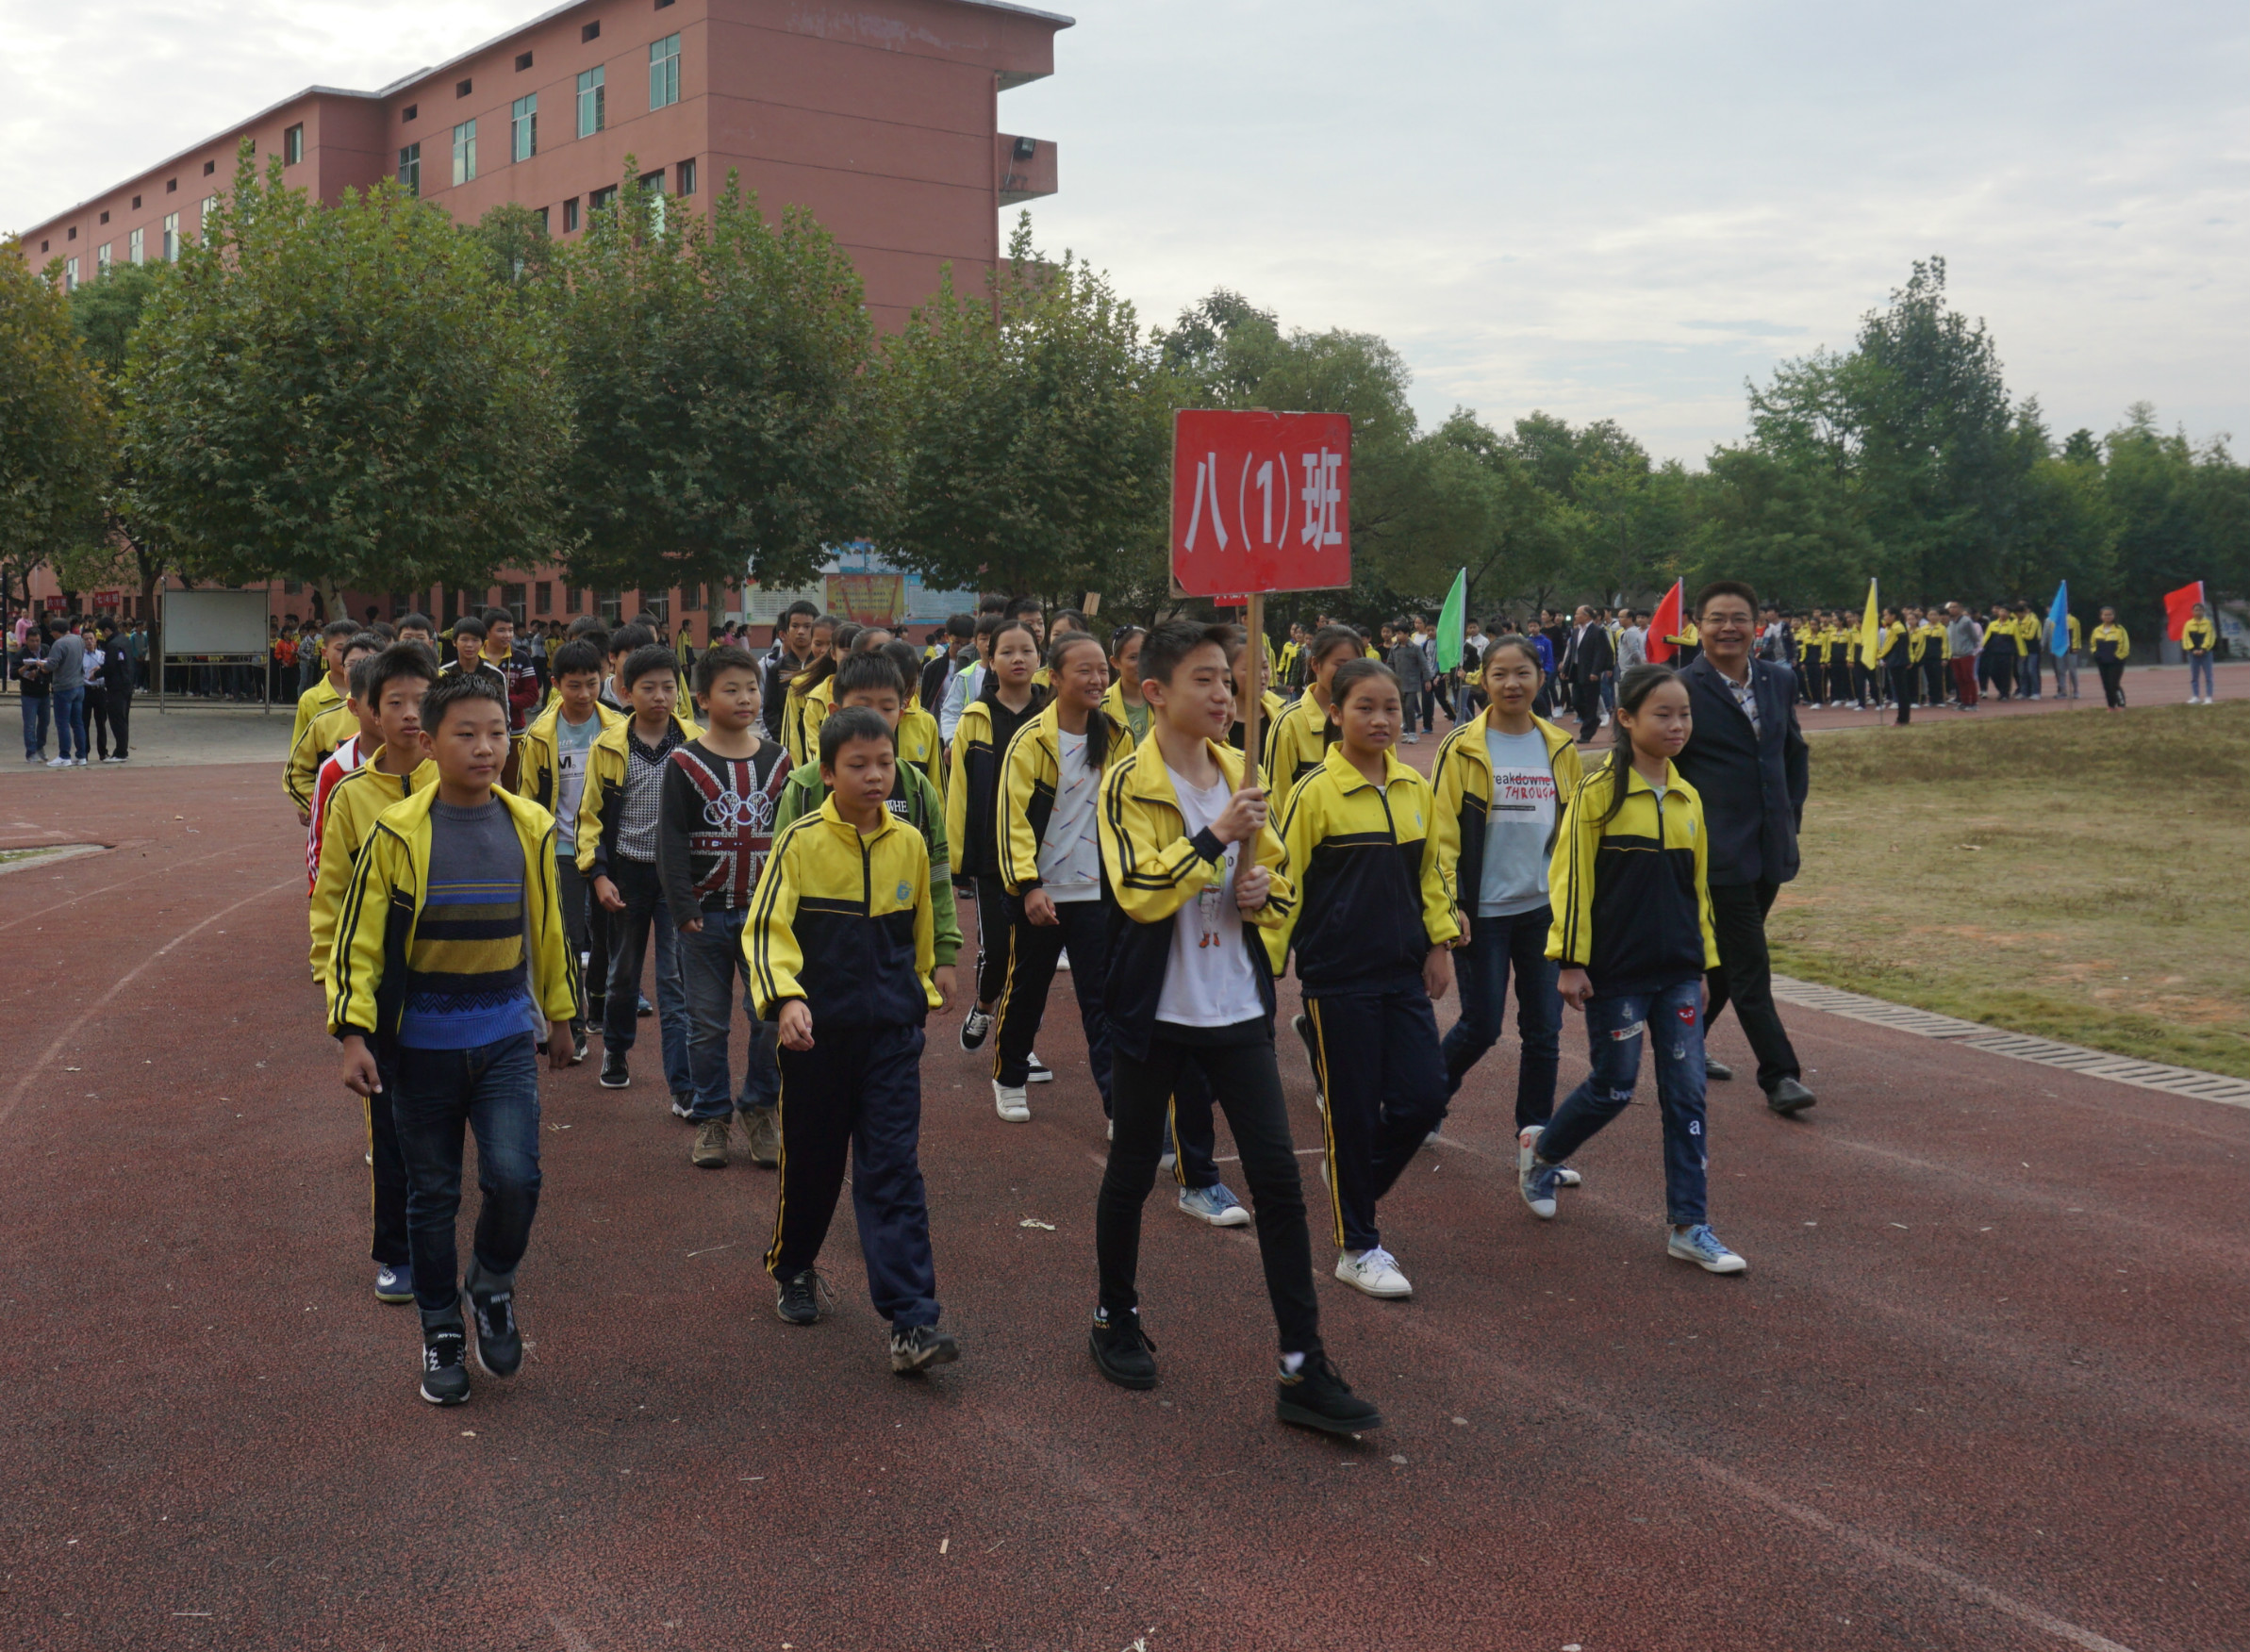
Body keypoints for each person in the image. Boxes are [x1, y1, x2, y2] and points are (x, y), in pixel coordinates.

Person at [1087, 620, 1381, 1436]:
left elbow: (1282, 883)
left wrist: (1263, 896)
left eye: (1231, 679)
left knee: (1280, 1186)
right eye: (1207, 680)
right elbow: (1140, 889)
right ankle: (1114, 1315)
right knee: (1133, 1168)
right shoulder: (1129, 784)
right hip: (1157, 1011)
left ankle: (1301, 1365)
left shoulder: (1239, 776)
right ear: (1155, 694)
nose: (1226, 695)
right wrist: (1214, 837)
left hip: (1237, 1009)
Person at [329, 670, 577, 1405]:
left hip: (504, 1034)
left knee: (515, 1177)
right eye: (465, 734)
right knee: (431, 1195)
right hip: (421, 1046)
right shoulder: (397, 832)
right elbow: (360, 940)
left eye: (497, 732)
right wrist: (352, 1034)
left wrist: (561, 1015)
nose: (485, 747)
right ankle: (441, 1330)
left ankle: (491, 1285)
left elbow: (549, 929)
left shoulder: (527, 825)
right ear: (429, 742)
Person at [745, 704, 960, 1375]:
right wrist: (786, 1001)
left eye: (885, 763)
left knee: (892, 1167)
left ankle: (912, 1319)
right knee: (813, 1164)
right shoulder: (800, 842)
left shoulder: (911, 844)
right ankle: (794, 1265)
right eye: (857, 765)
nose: (874, 776)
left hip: (892, 1036)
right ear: (828, 771)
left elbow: (920, 929)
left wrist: (923, 987)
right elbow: (764, 932)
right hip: (816, 1040)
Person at [1524, 663, 1743, 1275]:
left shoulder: (1688, 797)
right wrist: (1570, 960)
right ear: (1625, 719)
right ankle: (1543, 1155)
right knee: (1615, 1084)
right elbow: (1570, 880)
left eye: (1685, 715)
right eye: (1662, 715)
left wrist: (1703, 965)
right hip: (1615, 974)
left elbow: (1697, 892)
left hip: (1676, 972)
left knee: (1687, 1094)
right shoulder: (1597, 795)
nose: (1677, 726)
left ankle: (1689, 1224)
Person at [1271, 658, 1456, 1300]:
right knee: (1350, 1112)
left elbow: (1430, 875)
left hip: (1403, 972)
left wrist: (1440, 942)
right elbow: (1282, 883)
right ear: (1334, 713)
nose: (1380, 720)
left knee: (1425, 1097)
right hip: (1337, 975)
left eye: (1392, 708)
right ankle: (1359, 1246)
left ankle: (1353, 1179)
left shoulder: (1415, 788)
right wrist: (1266, 966)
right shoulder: (1314, 794)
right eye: (1365, 708)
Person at [308, 644, 438, 1306]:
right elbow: (330, 897)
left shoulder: (469, 783)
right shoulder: (352, 795)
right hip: (385, 987)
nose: (413, 715)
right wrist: (340, 998)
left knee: (466, 1133)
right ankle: (398, 1250)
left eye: (423, 701)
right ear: (371, 713)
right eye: (397, 704)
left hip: (461, 980)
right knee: (389, 1127)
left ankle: (447, 1240)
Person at [1429, 636, 1582, 1154]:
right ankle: (1424, 1102)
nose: (1512, 684)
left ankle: (1535, 1136)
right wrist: (1451, 906)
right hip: (1484, 913)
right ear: (1483, 680)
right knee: (1480, 1026)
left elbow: (1571, 835)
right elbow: (1442, 833)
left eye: (1523, 673)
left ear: (1541, 678)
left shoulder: (1560, 747)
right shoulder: (1462, 747)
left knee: (1544, 1030)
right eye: (1499, 674)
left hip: (1542, 910)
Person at [1672, 583, 1815, 1114]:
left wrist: (1790, 816)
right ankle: (1780, 1075)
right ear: (1697, 626)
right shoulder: (1680, 688)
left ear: (1757, 624)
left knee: (1726, 964)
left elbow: (1792, 754)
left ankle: (1682, 1043)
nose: (1727, 627)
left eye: (1739, 618)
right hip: (1715, 850)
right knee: (1749, 962)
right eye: (1716, 619)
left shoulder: (1779, 680)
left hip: (1771, 846)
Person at [655, 643, 792, 1170]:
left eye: (752, 688)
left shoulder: (779, 762)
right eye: (730, 689)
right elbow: (670, 839)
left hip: (765, 918)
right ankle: (712, 1116)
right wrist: (682, 904)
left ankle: (759, 1108)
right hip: (704, 915)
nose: (745, 698)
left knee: (768, 1020)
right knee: (706, 1023)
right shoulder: (685, 762)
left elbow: (791, 837)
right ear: (703, 698)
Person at [985, 630, 1126, 1125]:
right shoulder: (1031, 740)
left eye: (1102, 671)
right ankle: (1009, 1077)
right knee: (1027, 990)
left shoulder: (1114, 736)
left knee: (1104, 1002)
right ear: (1055, 677)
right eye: (1084, 670)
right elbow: (1011, 819)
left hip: (1097, 893)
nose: (1097, 679)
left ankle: (1118, 1108)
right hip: (1041, 895)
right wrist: (1028, 886)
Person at [579, 643, 701, 1106]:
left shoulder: (694, 743)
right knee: (623, 972)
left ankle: (682, 1084)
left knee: (673, 978)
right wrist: (598, 875)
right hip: (626, 874)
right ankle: (616, 1049)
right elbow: (590, 818)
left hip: (677, 878)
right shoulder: (609, 746)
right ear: (626, 692)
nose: (660, 696)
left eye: (668, 686)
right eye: (648, 687)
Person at [943, 619, 1046, 1057]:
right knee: (999, 950)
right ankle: (986, 1003)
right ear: (990, 660)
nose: (1018, 658)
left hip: (1045, 855)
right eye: (1007, 651)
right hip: (990, 856)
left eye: (1027, 650)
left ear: (1040, 659)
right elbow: (960, 793)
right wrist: (960, 861)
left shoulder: (1054, 715)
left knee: (1034, 956)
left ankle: (1019, 1042)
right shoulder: (975, 718)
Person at [515, 639, 619, 1063]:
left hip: (608, 848)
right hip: (560, 848)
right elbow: (524, 797)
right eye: (573, 685)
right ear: (555, 684)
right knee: (568, 937)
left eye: (592, 684)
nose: (584, 694)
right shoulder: (540, 735)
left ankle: (599, 996)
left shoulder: (616, 728)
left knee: (611, 936)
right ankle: (573, 1026)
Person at [286, 634, 384, 819]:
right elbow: (297, 772)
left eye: (370, 663)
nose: (360, 672)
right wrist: (319, 808)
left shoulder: (404, 722)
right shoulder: (323, 721)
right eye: (352, 665)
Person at [1264, 624, 1363, 801]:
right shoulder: (1289, 724)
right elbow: (1278, 800)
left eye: (1356, 666)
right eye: (1340, 665)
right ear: (1316, 664)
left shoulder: (1373, 720)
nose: (1348, 674)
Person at [286, 620, 361, 809]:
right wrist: (311, 804)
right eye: (340, 649)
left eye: (354, 649)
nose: (347, 656)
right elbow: (300, 760)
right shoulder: (311, 700)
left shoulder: (377, 697)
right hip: (329, 803)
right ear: (325, 653)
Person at [1563, 604, 1615, 746]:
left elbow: (1602, 653)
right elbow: (1572, 652)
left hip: (1591, 672)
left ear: (1586, 616)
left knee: (1591, 703)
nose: (1575, 616)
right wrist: (1565, 670)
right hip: (1576, 671)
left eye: (1578, 614)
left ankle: (1586, 734)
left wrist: (1596, 671)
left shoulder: (1597, 632)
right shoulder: (1575, 632)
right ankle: (1593, 720)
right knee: (1576, 702)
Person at [44, 618, 90, 769]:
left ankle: (64, 756)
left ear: (57, 631)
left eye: (52, 632)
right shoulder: (79, 640)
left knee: (62, 723)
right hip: (79, 685)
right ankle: (82, 755)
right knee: (78, 723)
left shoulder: (59, 644)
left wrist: (41, 664)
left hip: (63, 687)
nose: (52, 634)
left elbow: (51, 665)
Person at [1101, 625, 1150, 743]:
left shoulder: (1165, 700)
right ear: (1115, 662)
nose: (1141, 663)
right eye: (1133, 657)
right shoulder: (1101, 706)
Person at [1384, 619, 1430, 744]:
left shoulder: (1415, 648)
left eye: (1399, 633)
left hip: (1412, 683)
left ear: (1406, 634)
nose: (1397, 636)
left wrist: (1427, 679)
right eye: (1396, 634)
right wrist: (1389, 679)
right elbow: (1390, 665)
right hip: (1399, 683)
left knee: (1410, 707)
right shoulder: (1394, 649)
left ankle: (1413, 732)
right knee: (1402, 708)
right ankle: (1406, 730)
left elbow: (1423, 664)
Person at [16, 623, 50, 762]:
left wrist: (44, 668)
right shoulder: (21, 654)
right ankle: (31, 752)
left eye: (37, 641)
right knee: (30, 724)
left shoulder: (46, 650)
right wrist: (26, 670)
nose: (35, 644)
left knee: (44, 722)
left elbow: (52, 668)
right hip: (29, 694)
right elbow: (13, 673)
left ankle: (40, 746)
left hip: (44, 692)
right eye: (32, 641)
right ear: (26, 640)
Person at [2091, 608, 2130, 709]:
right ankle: (2111, 705)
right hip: (2102, 661)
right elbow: (2093, 644)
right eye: (2105, 615)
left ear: (2114, 616)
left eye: (2110, 615)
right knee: (2106, 685)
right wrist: (2096, 654)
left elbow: (2125, 646)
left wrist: (2118, 657)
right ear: (2101, 616)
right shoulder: (2097, 630)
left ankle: (2121, 704)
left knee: (2114, 683)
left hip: (2116, 662)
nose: (2108, 617)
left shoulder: (2120, 629)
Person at [1944, 603, 1982, 709]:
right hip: (1955, 655)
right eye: (1950, 607)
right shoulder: (1951, 622)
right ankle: (1964, 701)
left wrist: (1972, 648)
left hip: (1966, 654)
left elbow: (1974, 636)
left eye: (1954, 607)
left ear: (1960, 609)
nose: (1952, 609)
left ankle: (1973, 702)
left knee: (1968, 678)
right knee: (1959, 679)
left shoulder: (1966, 621)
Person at [2183, 603, 2217, 703]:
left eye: (2200, 610)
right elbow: (2186, 638)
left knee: (2208, 676)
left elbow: (2210, 637)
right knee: (2194, 676)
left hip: (2206, 653)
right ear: (2193, 612)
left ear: (2203, 611)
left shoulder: (2208, 624)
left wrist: (2203, 649)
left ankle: (2209, 696)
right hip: (2193, 654)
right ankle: (2195, 696)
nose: (2198, 612)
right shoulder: (2188, 624)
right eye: (2196, 610)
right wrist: (2192, 649)